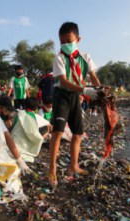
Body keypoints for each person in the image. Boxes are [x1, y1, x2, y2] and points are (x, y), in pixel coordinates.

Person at [48, 22, 101, 186]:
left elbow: (93, 76)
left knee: (77, 134)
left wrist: (100, 92)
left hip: (76, 97)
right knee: (57, 132)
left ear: (78, 39)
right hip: (62, 96)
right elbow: (63, 81)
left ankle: (73, 166)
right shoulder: (59, 58)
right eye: (62, 41)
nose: (65, 45)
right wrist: (85, 90)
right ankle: (52, 169)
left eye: (69, 41)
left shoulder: (85, 57)